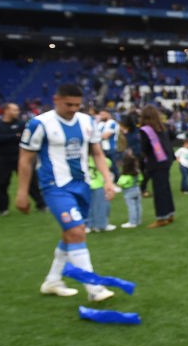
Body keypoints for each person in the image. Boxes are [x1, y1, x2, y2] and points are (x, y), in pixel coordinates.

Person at [16, 83, 115, 301]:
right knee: (77, 231)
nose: (73, 109)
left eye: (77, 105)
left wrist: (108, 180)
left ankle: (52, 281)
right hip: (55, 186)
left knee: (70, 233)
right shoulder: (39, 123)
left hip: (83, 185)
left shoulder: (87, 121)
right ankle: (94, 288)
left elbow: (97, 153)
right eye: (68, 104)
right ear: (56, 100)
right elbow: (25, 158)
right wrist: (22, 193)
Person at [0, 102, 44, 216]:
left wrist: (9, 137)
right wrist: (15, 136)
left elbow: (25, 136)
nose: (17, 112)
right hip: (3, 158)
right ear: (6, 111)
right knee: (1, 184)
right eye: (15, 110)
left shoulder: (21, 123)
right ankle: (2, 209)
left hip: (21, 157)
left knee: (31, 182)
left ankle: (41, 205)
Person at [138, 105, 175, 228]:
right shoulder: (162, 127)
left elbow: (144, 148)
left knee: (159, 191)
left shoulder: (145, 130)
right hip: (166, 160)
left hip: (155, 162)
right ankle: (170, 214)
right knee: (165, 188)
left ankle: (161, 217)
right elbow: (171, 138)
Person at [117, 153, 142, 228]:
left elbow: (120, 183)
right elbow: (141, 179)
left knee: (131, 207)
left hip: (129, 193)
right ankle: (138, 221)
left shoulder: (125, 175)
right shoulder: (137, 172)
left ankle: (132, 222)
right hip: (137, 190)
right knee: (138, 206)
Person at [96, 108, 120, 178]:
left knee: (112, 166)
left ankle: (117, 180)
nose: (101, 116)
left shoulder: (112, 123)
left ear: (108, 114)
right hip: (102, 148)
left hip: (110, 148)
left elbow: (106, 136)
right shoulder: (100, 124)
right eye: (100, 115)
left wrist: (96, 137)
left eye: (103, 114)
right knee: (104, 166)